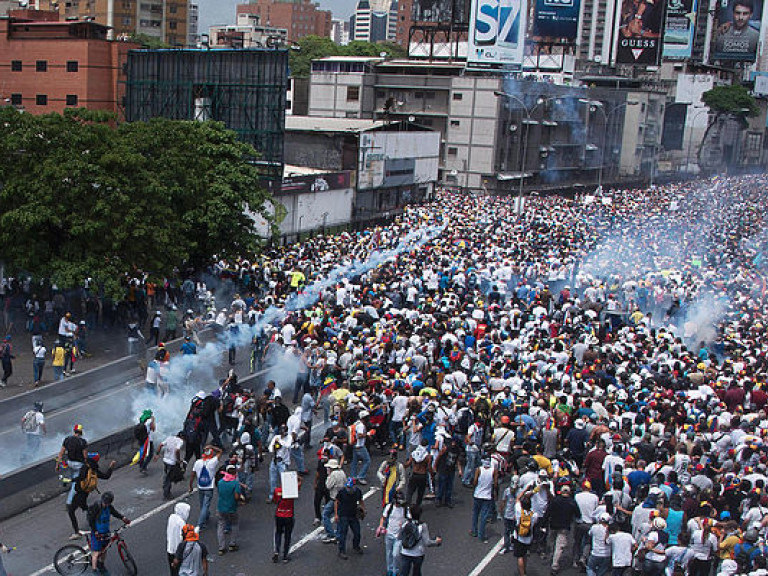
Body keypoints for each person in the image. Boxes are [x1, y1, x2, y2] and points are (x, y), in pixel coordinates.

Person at [67, 452, 116, 539]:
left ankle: (77, 532)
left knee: (71, 511)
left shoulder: (85, 467)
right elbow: (106, 476)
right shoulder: (94, 469)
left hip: (79, 493)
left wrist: (70, 480)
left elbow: (81, 477)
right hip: (85, 493)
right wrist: (111, 467)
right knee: (85, 507)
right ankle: (95, 515)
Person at [87, 491, 130, 574]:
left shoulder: (109, 507)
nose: (105, 505)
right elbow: (91, 520)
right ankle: (94, 571)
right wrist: (95, 531)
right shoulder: (97, 507)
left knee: (104, 550)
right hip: (97, 533)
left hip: (105, 532)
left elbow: (115, 513)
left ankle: (101, 565)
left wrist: (123, 518)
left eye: (107, 503)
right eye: (105, 503)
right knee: (96, 553)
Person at [397, 504, 442, 576]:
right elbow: (427, 542)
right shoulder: (422, 526)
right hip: (418, 553)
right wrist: (436, 542)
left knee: (404, 573)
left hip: (405, 552)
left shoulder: (405, 523)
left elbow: (399, 537)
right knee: (416, 573)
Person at [188, 445, 222, 529]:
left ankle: (206, 516)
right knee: (205, 505)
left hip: (200, 486)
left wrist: (190, 485)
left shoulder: (197, 462)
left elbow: (192, 475)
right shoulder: (212, 462)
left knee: (202, 504)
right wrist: (212, 447)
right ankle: (200, 524)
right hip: (209, 487)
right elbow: (220, 451)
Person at [378, 490, 409, 576]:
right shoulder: (389, 507)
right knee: (389, 554)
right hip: (389, 534)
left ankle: (396, 571)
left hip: (399, 536)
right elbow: (383, 518)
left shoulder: (405, 509)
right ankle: (390, 570)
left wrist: (403, 524)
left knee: (396, 554)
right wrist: (381, 526)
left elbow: (409, 521)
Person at [216, 464, 244, 556]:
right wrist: (240, 497)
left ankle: (221, 547)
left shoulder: (220, 482)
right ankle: (232, 544)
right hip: (232, 508)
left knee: (221, 526)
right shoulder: (235, 483)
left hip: (221, 507)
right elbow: (236, 496)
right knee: (234, 524)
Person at [511, 486, 540, 576]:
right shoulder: (534, 515)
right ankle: (525, 570)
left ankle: (522, 574)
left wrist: (525, 490)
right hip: (528, 538)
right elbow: (535, 523)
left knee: (519, 556)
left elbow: (517, 498)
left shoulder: (519, 510)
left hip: (518, 537)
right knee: (524, 555)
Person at [272, 475, 301, 563]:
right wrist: (296, 477)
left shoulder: (277, 491)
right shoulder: (292, 491)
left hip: (279, 514)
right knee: (287, 536)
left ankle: (276, 551)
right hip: (289, 515)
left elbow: (274, 501)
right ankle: (285, 555)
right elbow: (300, 482)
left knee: (278, 533)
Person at [335, 477, 364, 559]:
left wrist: (363, 510)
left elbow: (361, 500)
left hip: (353, 515)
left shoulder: (358, 492)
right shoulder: (342, 492)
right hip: (343, 515)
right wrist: (336, 514)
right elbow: (336, 502)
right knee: (343, 533)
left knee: (357, 532)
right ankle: (341, 551)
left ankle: (356, 546)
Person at [470, 456, 497, 544]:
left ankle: (474, 530)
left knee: (475, 513)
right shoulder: (493, 470)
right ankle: (481, 534)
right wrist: (495, 492)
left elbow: (475, 481)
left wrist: (475, 488)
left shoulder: (479, 469)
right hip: (487, 496)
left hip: (478, 494)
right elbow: (495, 483)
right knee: (484, 516)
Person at [155, 430, 185, 500]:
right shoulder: (180, 441)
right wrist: (178, 459)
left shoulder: (170, 438)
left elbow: (160, 445)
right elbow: (177, 450)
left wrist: (157, 454)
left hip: (165, 460)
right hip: (172, 462)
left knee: (167, 475)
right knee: (168, 478)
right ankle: (166, 494)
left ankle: (167, 491)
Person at [323, 458, 347, 543]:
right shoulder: (342, 473)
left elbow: (328, 486)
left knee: (325, 514)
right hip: (343, 499)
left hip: (334, 498)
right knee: (339, 516)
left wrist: (328, 476)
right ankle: (339, 534)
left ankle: (330, 534)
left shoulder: (333, 475)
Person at [166, 502, 191, 576]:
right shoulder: (181, 523)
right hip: (178, 552)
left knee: (173, 571)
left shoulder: (171, 517)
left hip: (170, 548)